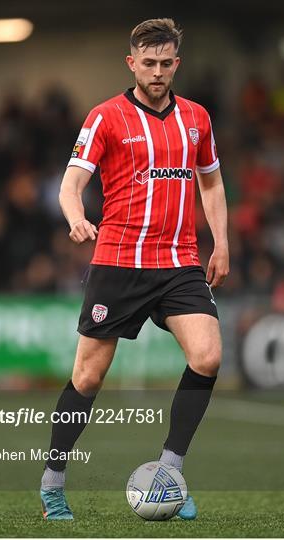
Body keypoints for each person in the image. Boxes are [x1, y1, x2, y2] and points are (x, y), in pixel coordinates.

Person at [40, 17, 229, 521]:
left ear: (177, 64)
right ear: (132, 63)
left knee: (207, 356)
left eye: (167, 63)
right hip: (119, 262)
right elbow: (71, 183)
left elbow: (210, 184)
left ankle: (169, 473)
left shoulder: (196, 118)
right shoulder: (106, 118)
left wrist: (222, 241)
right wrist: (77, 217)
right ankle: (53, 482)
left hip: (179, 261)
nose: (159, 72)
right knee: (87, 377)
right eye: (149, 63)